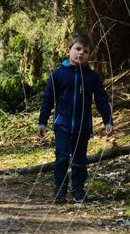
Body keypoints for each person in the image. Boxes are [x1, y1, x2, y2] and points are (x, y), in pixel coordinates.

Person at [37, 34, 114, 203]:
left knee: (79, 160)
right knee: (62, 158)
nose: (81, 53)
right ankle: (60, 190)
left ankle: (78, 190)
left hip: (83, 126)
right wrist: (43, 121)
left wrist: (108, 121)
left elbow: (101, 99)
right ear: (68, 51)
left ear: (89, 55)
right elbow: (48, 99)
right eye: (77, 49)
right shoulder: (57, 75)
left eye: (85, 51)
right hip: (62, 125)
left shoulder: (92, 77)